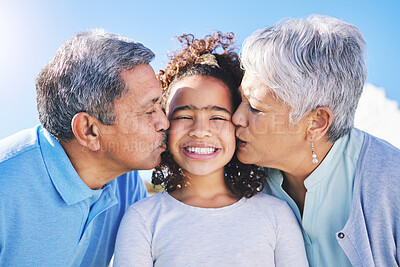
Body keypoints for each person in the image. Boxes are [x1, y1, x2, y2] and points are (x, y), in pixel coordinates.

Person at [113, 32, 308, 267]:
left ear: (237, 122)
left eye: (217, 117)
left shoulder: (276, 215)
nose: (200, 130)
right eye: (184, 116)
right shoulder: (142, 219)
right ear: (165, 124)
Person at [232, 14, 400, 267]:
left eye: (255, 108)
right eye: (240, 101)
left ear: (316, 122)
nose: (236, 117)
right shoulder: (240, 178)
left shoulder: (391, 180)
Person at [0, 29, 169, 266]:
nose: (164, 122)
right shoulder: (5, 184)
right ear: (89, 131)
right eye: (149, 110)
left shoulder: (125, 183)